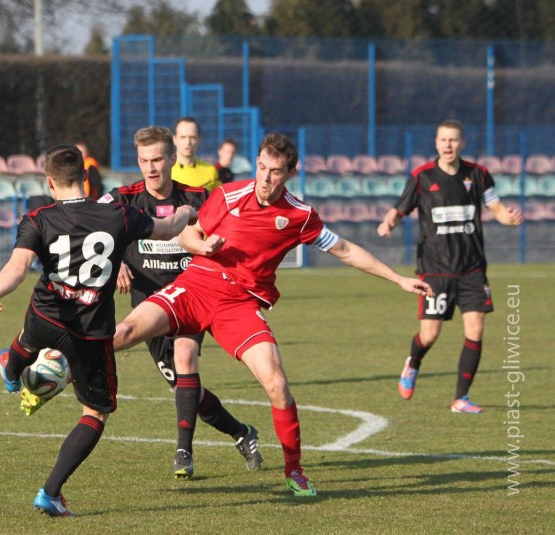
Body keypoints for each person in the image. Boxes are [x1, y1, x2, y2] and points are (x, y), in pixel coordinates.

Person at [113, 132, 433, 497]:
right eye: (262, 167)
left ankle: (294, 470)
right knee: (125, 332)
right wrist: (203, 246)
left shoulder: (299, 215)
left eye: (275, 171)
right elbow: (188, 236)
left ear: (290, 173)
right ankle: (66, 363)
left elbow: (344, 249)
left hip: (239, 305)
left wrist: (397, 279)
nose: (265, 178)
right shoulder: (229, 195)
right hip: (197, 286)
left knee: (277, 384)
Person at [0, 144, 195, 517]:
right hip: (91, 332)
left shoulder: (38, 218)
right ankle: (50, 492)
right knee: (95, 413)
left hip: (47, 316)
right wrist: (186, 212)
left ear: (49, 183)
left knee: (30, 336)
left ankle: (12, 371)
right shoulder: (118, 215)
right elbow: (169, 230)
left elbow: (17, 268)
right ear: (85, 177)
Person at [100, 126, 262, 479]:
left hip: (193, 297)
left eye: (157, 159)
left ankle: (183, 453)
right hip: (149, 308)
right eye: (144, 160)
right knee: (184, 388)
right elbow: (94, 228)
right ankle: (242, 433)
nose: (151, 167)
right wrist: (117, 262)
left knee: (185, 358)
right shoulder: (123, 198)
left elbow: (232, 232)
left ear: (172, 158)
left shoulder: (199, 197)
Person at [377, 119, 524, 413]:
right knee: (430, 334)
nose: (448, 145)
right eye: (443, 139)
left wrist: (508, 218)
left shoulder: (478, 174)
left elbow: (495, 207)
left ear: (462, 143)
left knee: (476, 329)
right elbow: (399, 209)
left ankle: (461, 398)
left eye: (453, 139)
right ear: (436, 143)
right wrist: (388, 223)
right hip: (435, 269)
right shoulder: (421, 176)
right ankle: (413, 362)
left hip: (472, 268)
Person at [171, 117, 221, 191]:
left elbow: (219, 196)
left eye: (193, 137)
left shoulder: (210, 171)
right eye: (183, 137)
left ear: (199, 139)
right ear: (174, 139)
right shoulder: (165, 171)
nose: (188, 142)